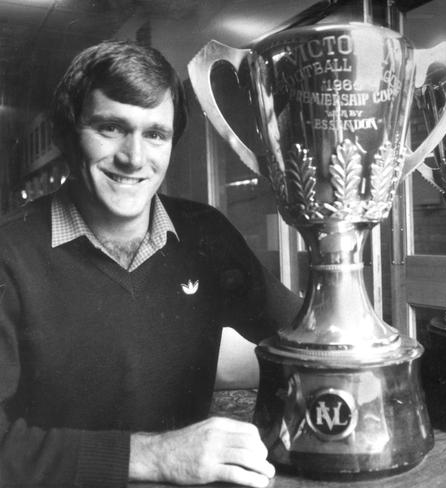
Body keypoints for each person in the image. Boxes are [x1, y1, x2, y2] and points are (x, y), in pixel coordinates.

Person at [0, 40, 299, 487]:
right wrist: (154, 456)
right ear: (67, 135)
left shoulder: (206, 235)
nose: (134, 158)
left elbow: (302, 336)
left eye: (155, 134)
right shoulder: (9, 253)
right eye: (110, 128)